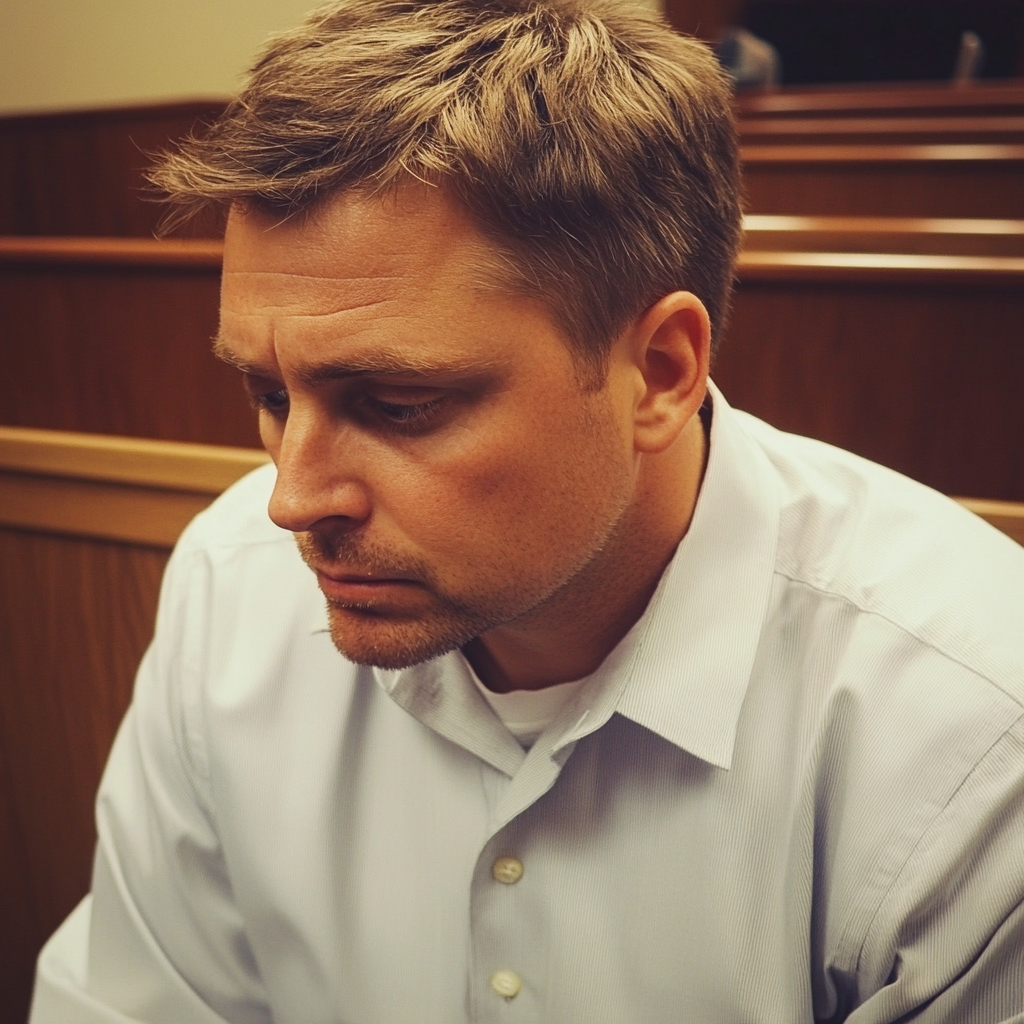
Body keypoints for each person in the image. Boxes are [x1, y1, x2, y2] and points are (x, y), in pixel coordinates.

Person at [31, 1, 1024, 1021]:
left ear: (658, 370)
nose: (291, 497)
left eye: (401, 404)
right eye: (271, 396)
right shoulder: (230, 583)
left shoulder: (976, 735)